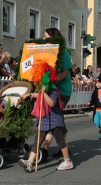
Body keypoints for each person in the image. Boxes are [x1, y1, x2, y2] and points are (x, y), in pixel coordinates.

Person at [19, 66, 73, 171]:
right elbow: (38, 95)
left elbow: (52, 103)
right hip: (44, 118)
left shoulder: (53, 89)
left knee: (60, 140)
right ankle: (29, 162)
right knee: (37, 141)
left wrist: (43, 94)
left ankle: (67, 161)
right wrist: (29, 95)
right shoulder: (43, 90)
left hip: (54, 119)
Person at [40, 28, 73, 160]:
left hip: (62, 91)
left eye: (45, 36)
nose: (43, 39)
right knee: (58, 121)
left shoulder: (62, 52)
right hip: (52, 89)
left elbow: (66, 71)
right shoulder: (48, 52)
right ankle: (64, 148)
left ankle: (45, 149)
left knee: (53, 119)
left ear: (53, 38)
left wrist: (55, 79)